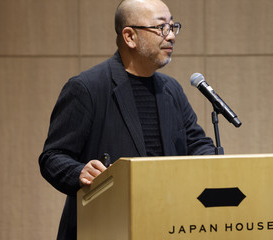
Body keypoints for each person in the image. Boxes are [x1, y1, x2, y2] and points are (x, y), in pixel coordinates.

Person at [38, 0, 215, 239]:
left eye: (173, 27)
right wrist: (79, 171)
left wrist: (214, 166)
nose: (171, 36)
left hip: (166, 224)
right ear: (130, 36)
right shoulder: (87, 88)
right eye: (161, 28)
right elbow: (52, 157)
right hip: (104, 225)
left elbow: (198, 144)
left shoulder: (171, 90)